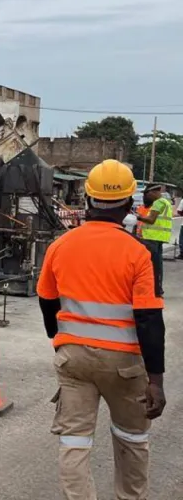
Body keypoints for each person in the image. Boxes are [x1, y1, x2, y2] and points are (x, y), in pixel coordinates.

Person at [37, 159, 166, 500]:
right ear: (128, 204)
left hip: (74, 360)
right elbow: (149, 319)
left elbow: (47, 302)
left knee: (74, 441)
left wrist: (60, 343)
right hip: (124, 364)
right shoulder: (138, 253)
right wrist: (156, 380)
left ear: (88, 199)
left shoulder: (60, 246)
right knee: (132, 439)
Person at [136, 184, 172, 297]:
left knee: (152, 267)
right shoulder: (166, 202)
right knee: (157, 266)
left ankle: (156, 290)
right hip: (159, 237)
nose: (146, 197)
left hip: (152, 237)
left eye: (147, 194)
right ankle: (158, 289)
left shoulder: (158, 203)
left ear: (154, 192)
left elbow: (151, 220)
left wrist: (137, 217)